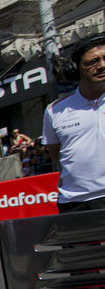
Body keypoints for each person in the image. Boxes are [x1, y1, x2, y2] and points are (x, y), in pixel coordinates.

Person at [42, 35, 105, 212]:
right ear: (76, 68)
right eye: (93, 61)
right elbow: (56, 157)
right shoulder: (54, 110)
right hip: (74, 203)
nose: (102, 65)